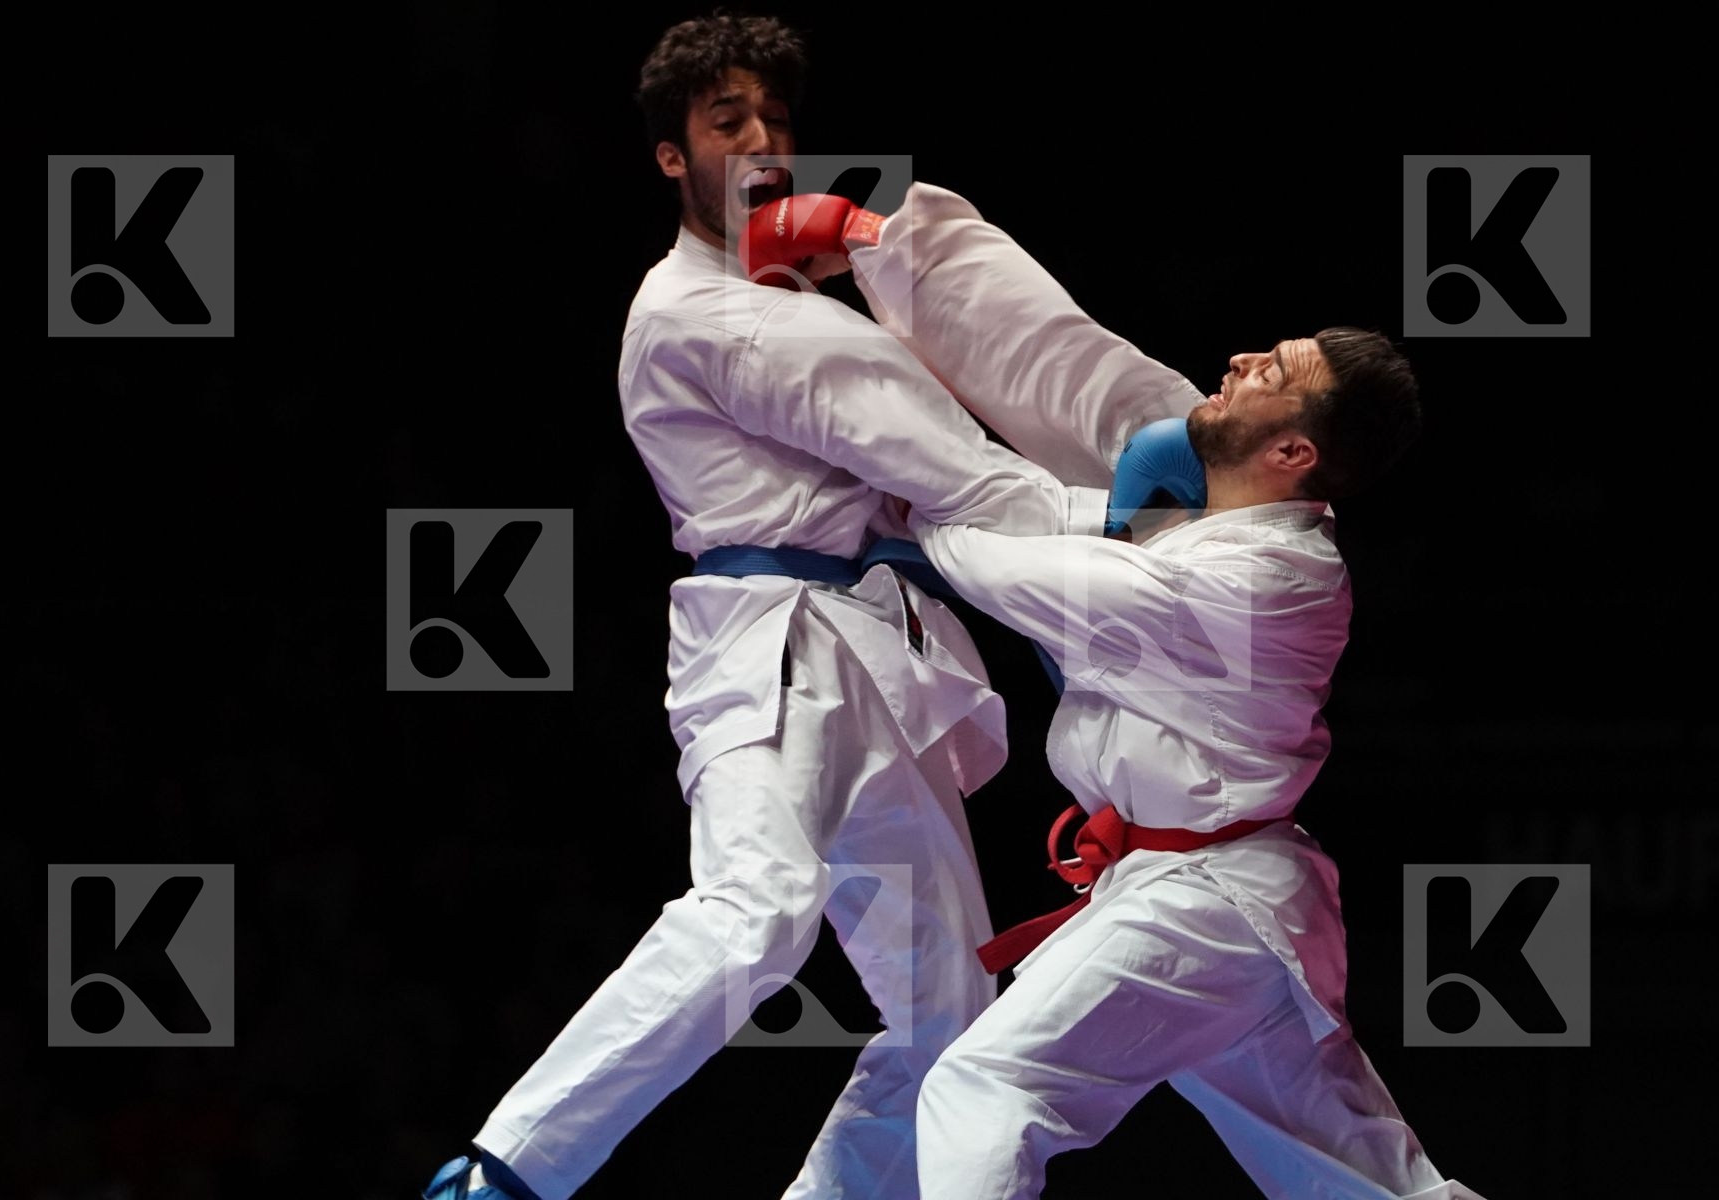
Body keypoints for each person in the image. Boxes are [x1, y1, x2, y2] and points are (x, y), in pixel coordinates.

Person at [422, 16, 1122, 1200]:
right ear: (669, 155)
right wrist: (1122, 525)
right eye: (726, 120)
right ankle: (502, 1173)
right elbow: (949, 471)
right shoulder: (713, 314)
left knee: (948, 1002)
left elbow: (920, 487)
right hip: (772, 659)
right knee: (758, 910)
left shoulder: (791, 300)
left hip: (875, 659)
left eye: (778, 121)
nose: (761, 140)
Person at [752, 183, 1488, 1198]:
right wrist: (880, 242)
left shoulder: (1271, 580)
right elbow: (1062, 361)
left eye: (1270, 372)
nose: (1239, 361)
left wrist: (908, 503)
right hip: (1212, 902)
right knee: (1363, 1183)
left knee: (983, 1081)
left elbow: (1022, 571)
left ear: (1294, 453)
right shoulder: (1183, 484)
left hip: (1208, 905)